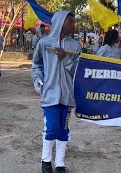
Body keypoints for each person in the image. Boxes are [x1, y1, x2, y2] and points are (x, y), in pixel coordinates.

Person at [32, 11, 80, 173]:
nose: (73, 26)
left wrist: (65, 58)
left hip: (67, 94)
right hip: (50, 93)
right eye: (70, 22)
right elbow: (36, 64)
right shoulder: (44, 43)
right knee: (51, 128)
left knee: (63, 129)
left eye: (73, 23)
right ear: (60, 23)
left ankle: (59, 162)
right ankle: (46, 160)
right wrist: (38, 80)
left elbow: (77, 71)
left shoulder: (75, 45)